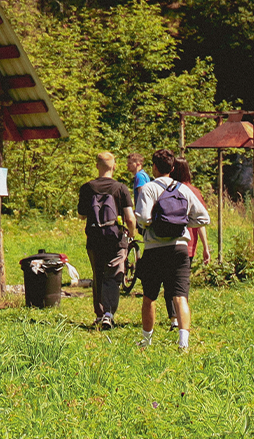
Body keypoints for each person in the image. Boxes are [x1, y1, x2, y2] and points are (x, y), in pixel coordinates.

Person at [136, 152, 209, 353]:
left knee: (149, 296)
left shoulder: (148, 188)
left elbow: (142, 219)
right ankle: (183, 344)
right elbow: (204, 218)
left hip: (154, 249)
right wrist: (182, 224)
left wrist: (155, 224)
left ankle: (146, 340)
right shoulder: (183, 189)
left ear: (154, 168)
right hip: (179, 248)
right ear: (173, 168)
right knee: (180, 296)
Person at [76, 151, 139, 331]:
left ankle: (99, 314)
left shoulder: (87, 188)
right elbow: (129, 217)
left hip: (95, 238)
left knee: (98, 275)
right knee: (112, 276)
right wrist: (131, 234)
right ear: (114, 166)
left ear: (97, 166)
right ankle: (108, 314)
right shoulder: (121, 188)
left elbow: (81, 215)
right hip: (115, 238)